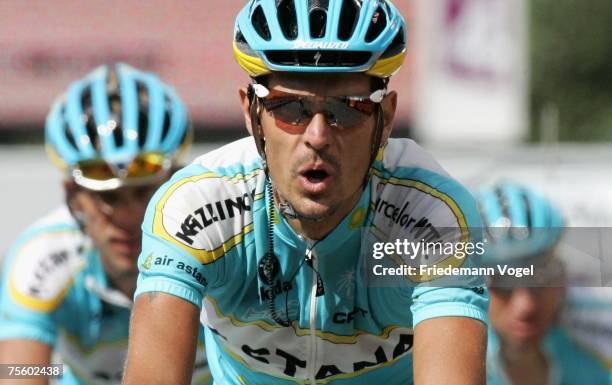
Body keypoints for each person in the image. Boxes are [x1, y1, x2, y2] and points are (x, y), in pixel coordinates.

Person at [123, 1, 488, 384]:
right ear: (252, 115)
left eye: (347, 108)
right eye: (289, 108)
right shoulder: (195, 206)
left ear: (386, 120)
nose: (318, 137)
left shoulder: (433, 214)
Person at [0, 63, 210, 385]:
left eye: (143, 193)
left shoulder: (219, 240)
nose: (128, 217)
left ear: (174, 183)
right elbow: (17, 373)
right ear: (74, 198)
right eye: (108, 198)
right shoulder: (41, 257)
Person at [476, 182, 609, 385]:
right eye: (503, 283)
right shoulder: (447, 359)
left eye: (541, 278)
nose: (525, 306)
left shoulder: (596, 350)